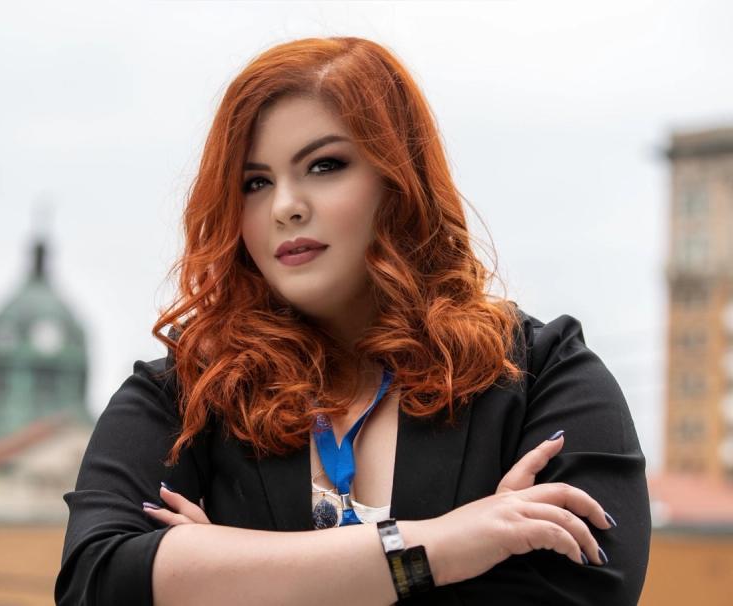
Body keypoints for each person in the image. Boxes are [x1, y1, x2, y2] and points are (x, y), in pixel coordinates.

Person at [55, 36, 650, 605]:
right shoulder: (186, 393)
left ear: (399, 180)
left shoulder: (540, 372)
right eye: (255, 183)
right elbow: (96, 580)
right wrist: (441, 547)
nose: (285, 206)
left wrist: (228, 577)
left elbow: (590, 583)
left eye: (324, 166)